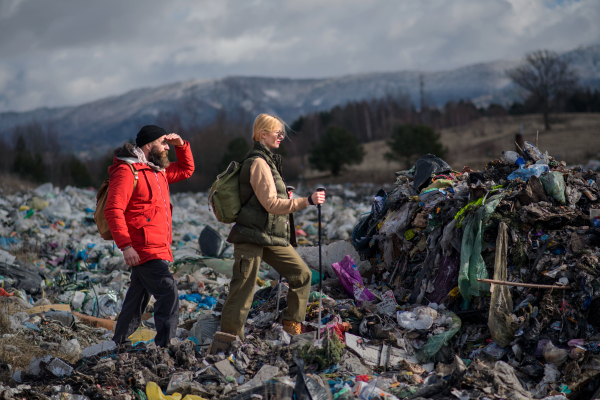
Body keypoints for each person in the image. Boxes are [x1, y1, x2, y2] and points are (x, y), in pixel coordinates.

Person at [222, 113, 326, 339]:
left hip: (268, 235)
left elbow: (265, 198)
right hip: (251, 236)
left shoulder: (267, 161)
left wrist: (286, 196)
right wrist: (306, 201)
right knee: (243, 291)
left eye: (282, 133)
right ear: (262, 134)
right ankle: (228, 341)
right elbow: (270, 204)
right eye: (278, 133)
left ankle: (291, 328)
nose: (282, 137)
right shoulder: (258, 162)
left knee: (302, 275)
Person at [106, 125, 194, 347]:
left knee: (137, 298)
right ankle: (165, 345)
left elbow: (186, 169)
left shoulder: (158, 170)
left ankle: (118, 342)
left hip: (156, 245)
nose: (167, 147)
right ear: (148, 145)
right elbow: (113, 209)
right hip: (142, 247)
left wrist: (181, 146)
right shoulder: (128, 171)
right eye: (163, 143)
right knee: (168, 292)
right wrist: (126, 246)